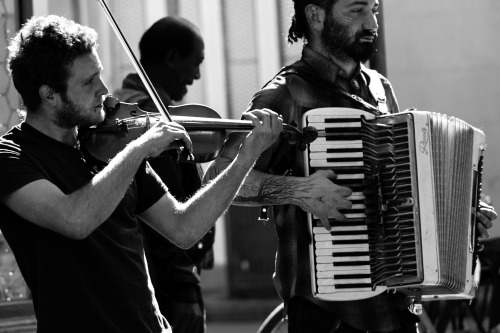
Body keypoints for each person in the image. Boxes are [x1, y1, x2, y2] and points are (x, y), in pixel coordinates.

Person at [204, 0, 498, 332]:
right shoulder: (285, 93)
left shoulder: (379, 88)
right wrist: (299, 191)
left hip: (396, 306)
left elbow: (401, 188)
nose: (371, 22)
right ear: (316, 16)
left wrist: (458, 214)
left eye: (373, 9)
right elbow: (217, 177)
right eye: (356, 10)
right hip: (328, 314)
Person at [0, 15, 282, 333]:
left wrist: (246, 158)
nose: (104, 90)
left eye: (100, 76)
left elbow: (185, 228)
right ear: (50, 95)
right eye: (88, 82)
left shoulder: (107, 144)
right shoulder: (11, 157)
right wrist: (139, 150)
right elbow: (74, 219)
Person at [113, 17, 210, 333]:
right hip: (164, 284)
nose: (196, 75)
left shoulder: (130, 110)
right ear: (172, 58)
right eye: (194, 64)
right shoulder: (148, 123)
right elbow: (166, 210)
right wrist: (185, 288)